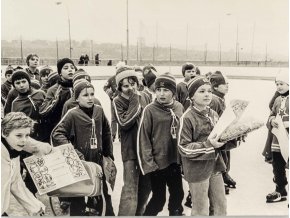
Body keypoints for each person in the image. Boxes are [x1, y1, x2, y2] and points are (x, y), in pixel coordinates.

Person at [51, 79, 115, 216]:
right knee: (78, 197)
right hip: (80, 164)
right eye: (85, 95)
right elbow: (57, 134)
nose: (90, 98)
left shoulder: (99, 111)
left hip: (96, 163)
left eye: (92, 94)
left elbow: (107, 131)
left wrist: (108, 153)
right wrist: (73, 153)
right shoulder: (73, 114)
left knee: (102, 194)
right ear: (77, 98)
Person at [178, 76, 237, 216]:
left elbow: (220, 141)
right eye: (202, 91)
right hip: (197, 170)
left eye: (209, 91)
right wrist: (209, 144)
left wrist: (233, 136)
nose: (207, 94)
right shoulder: (187, 118)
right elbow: (183, 147)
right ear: (192, 96)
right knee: (201, 209)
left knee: (220, 205)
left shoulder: (214, 114)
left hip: (215, 167)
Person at [137, 72, 184, 215]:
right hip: (157, 164)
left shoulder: (179, 107)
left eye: (166, 90)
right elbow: (143, 138)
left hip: (174, 161)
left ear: (173, 92)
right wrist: (150, 164)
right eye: (158, 90)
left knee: (177, 195)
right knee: (159, 200)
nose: (161, 94)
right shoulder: (150, 110)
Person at [112, 66, 151, 216]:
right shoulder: (117, 101)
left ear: (137, 83)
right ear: (120, 87)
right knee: (130, 187)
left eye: (132, 84)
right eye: (125, 85)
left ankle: (139, 213)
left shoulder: (145, 96)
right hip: (130, 150)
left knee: (147, 185)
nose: (130, 88)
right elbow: (124, 123)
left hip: (146, 149)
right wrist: (135, 100)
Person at [1, 112, 53, 216]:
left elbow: (16, 183)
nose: (24, 140)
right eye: (19, 135)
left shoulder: (14, 152)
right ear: (4, 133)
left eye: (27, 135)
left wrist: (35, 206)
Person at [209, 71, 236, 192]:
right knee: (219, 158)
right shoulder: (214, 100)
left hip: (223, 135)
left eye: (228, 83)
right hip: (217, 136)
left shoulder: (220, 98)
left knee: (225, 156)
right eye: (224, 84)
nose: (227, 86)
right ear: (215, 86)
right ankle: (219, 180)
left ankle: (224, 176)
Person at [39, 58, 76, 141]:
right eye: (66, 68)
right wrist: (55, 100)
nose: (70, 70)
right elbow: (42, 111)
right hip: (59, 129)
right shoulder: (53, 89)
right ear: (60, 73)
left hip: (77, 128)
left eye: (72, 67)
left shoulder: (79, 87)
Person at [266, 71, 289, 203]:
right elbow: (271, 114)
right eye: (277, 84)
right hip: (277, 139)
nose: (279, 87)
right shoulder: (277, 99)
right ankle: (281, 189)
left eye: (282, 84)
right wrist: (272, 120)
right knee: (277, 165)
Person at [103, 62, 125, 142]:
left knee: (121, 118)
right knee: (113, 118)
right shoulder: (112, 79)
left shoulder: (126, 79)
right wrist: (110, 93)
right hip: (113, 101)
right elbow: (105, 87)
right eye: (118, 69)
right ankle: (112, 135)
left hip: (124, 101)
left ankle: (120, 135)